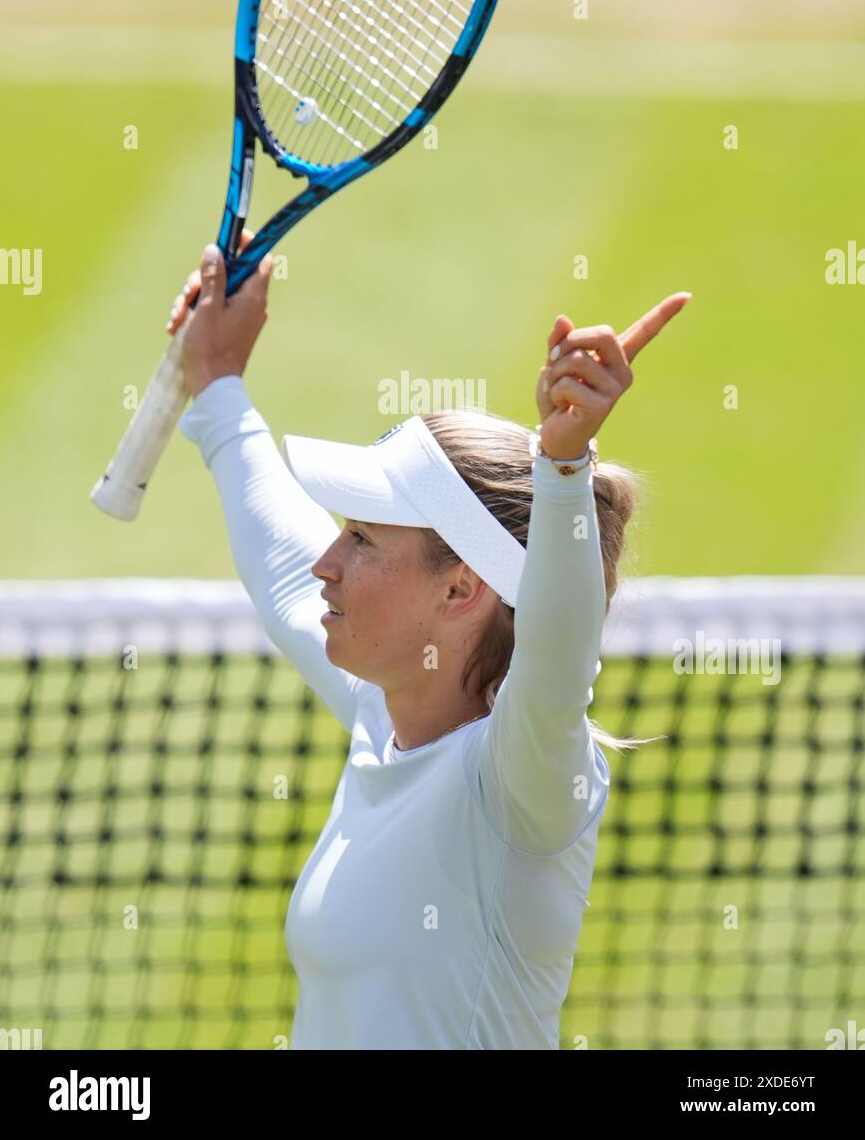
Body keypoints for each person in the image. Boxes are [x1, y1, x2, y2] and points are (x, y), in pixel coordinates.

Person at [169, 237, 690, 1050]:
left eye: (364, 542)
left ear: (460, 590)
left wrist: (561, 470)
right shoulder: (385, 712)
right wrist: (217, 385)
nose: (326, 564)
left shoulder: (520, 780)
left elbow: (559, 651)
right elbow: (281, 567)